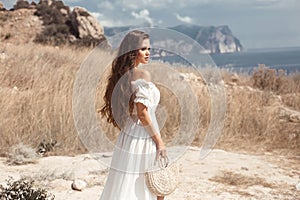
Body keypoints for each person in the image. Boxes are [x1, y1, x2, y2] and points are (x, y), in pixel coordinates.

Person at [99, 30, 166, 200]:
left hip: (128, 136)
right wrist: (159, 142)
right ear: (132, 51)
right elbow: (142, 114)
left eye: (149, 48)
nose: (148, 52)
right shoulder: (143, 75)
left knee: (128, 182)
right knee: (151, 183)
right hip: (143, 136)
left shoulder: (122, 76)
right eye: (143, 49)